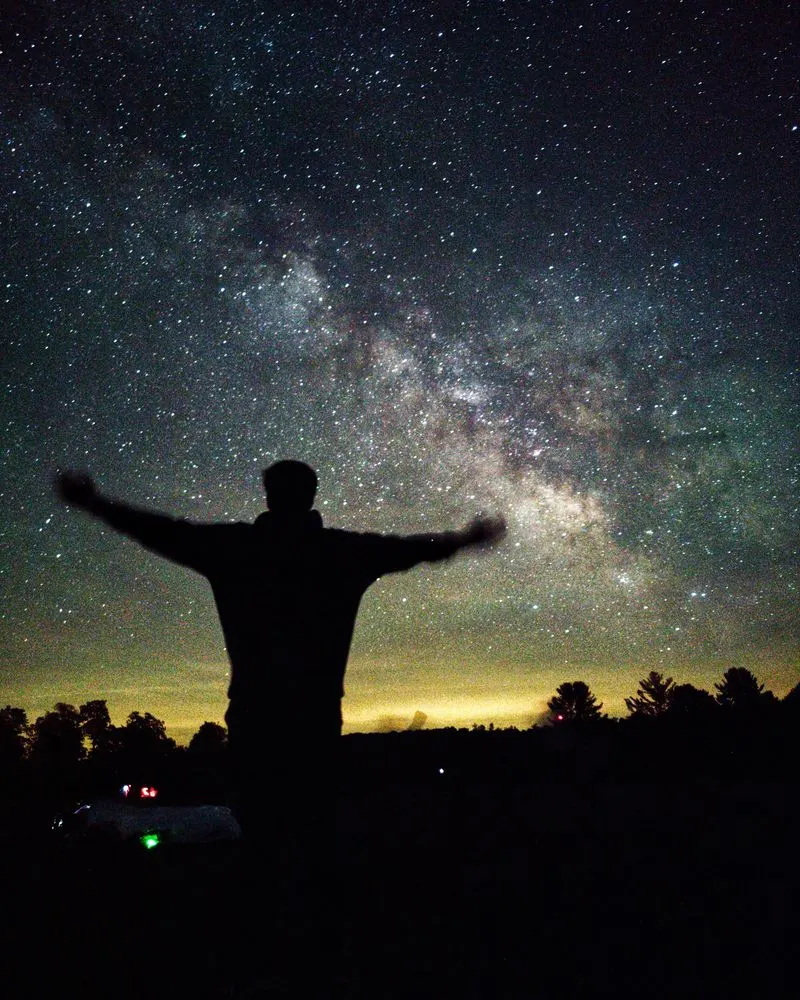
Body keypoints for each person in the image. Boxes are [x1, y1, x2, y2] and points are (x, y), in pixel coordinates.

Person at [54, 461, 505, 986]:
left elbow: (162, 532)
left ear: (267, 497)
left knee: (264, 843)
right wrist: (467, 538)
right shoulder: (341, 553)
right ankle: (319, 959)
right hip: (314, 726)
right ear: (312, 496)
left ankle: (264, 960)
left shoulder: (236, 550)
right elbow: (413, 550)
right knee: (313, 839)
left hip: (256, 723)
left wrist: (96, 504)